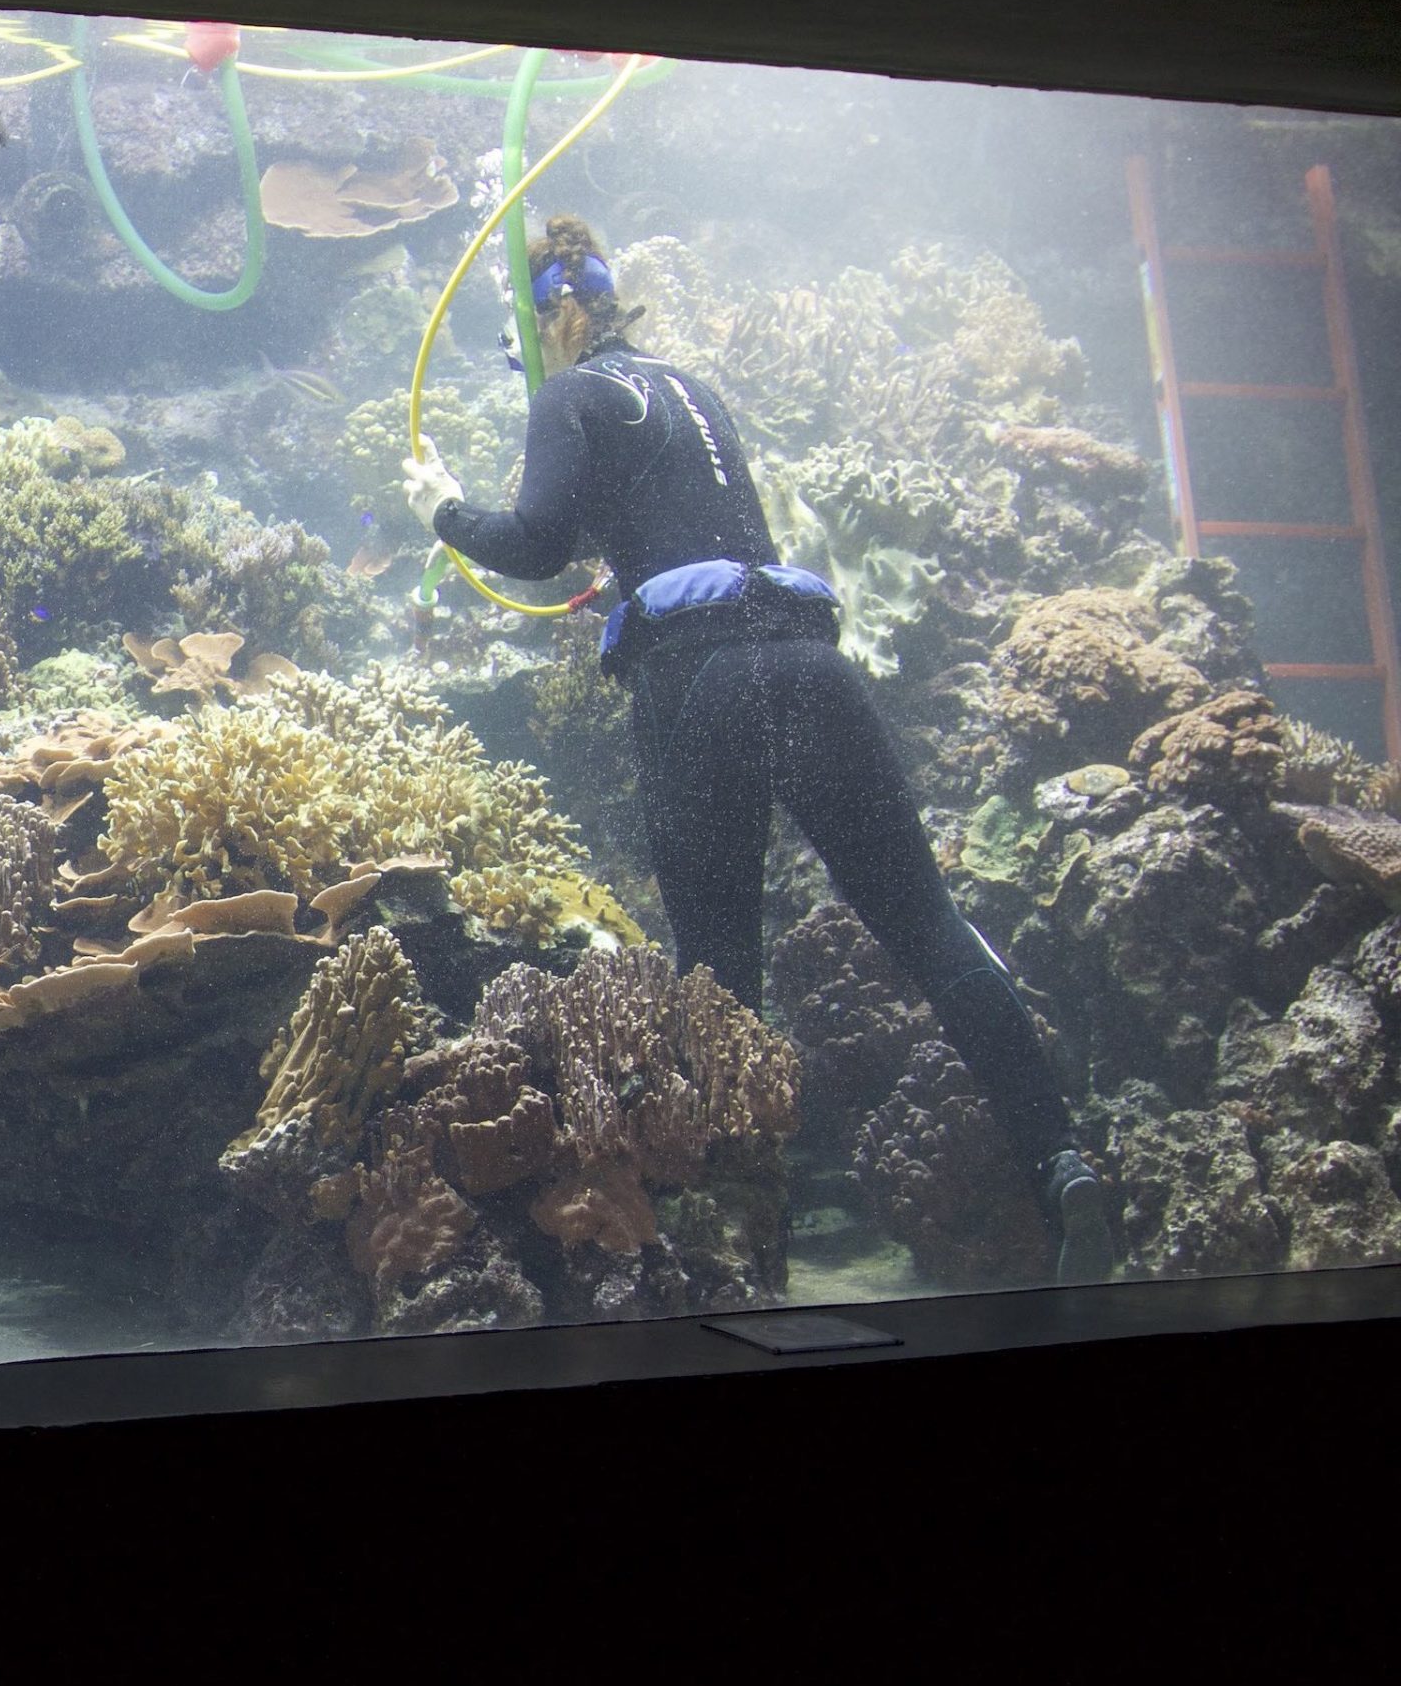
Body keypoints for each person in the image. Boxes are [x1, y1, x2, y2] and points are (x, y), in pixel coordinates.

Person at [400, 215, 1113, 1282]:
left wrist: (445, 511)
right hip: (812, 665)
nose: (519, 363)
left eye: (517, 337)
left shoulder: (571, 393)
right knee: (926, 922)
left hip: (703, 684)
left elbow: (537, 545)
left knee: (721, 972)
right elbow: (664, 521)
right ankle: (1062, 1163)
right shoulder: (692, 390)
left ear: (557, 312)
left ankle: (737, 1253)